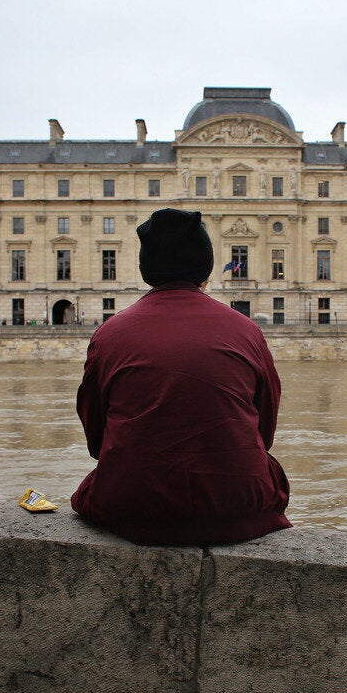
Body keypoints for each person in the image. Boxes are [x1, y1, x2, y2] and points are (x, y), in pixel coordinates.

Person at [71, 208, 291, 546]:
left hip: (131, 509)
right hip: (238, 509)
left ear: (147, 270)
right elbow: (265, 430)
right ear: (205, 268)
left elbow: (96, 439)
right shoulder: (246, 330)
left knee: (101, 481)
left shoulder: (110, 333)